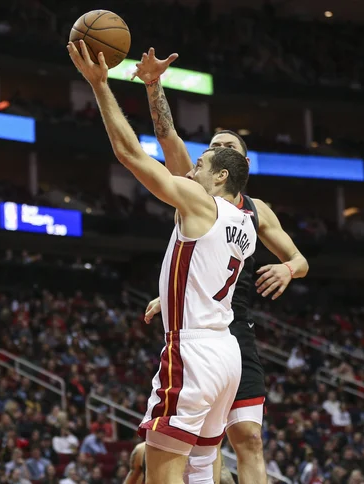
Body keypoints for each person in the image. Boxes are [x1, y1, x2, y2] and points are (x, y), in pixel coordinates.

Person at [69, 41, 256, 484]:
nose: (190, 171)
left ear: (222, 176)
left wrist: (100, 85)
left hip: (192, 350)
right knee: (202, 471)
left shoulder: (199, 202)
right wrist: (154, 87)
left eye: (201, 164)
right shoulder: (247, 219)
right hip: (227, 355)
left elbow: (131, 154)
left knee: (163, 473)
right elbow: (171, 145)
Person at [133, 48, 309, 484]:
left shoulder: (257, 209)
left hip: (234, 329)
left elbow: (299, 259)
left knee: (247, 436)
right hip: (200, 331)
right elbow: (167, 133)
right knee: (200, 440)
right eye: (211, 147)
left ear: (238, 167)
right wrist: (154, 85)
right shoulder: (196, 189)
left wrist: (288, 270)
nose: (214, 151)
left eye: (226, 148)